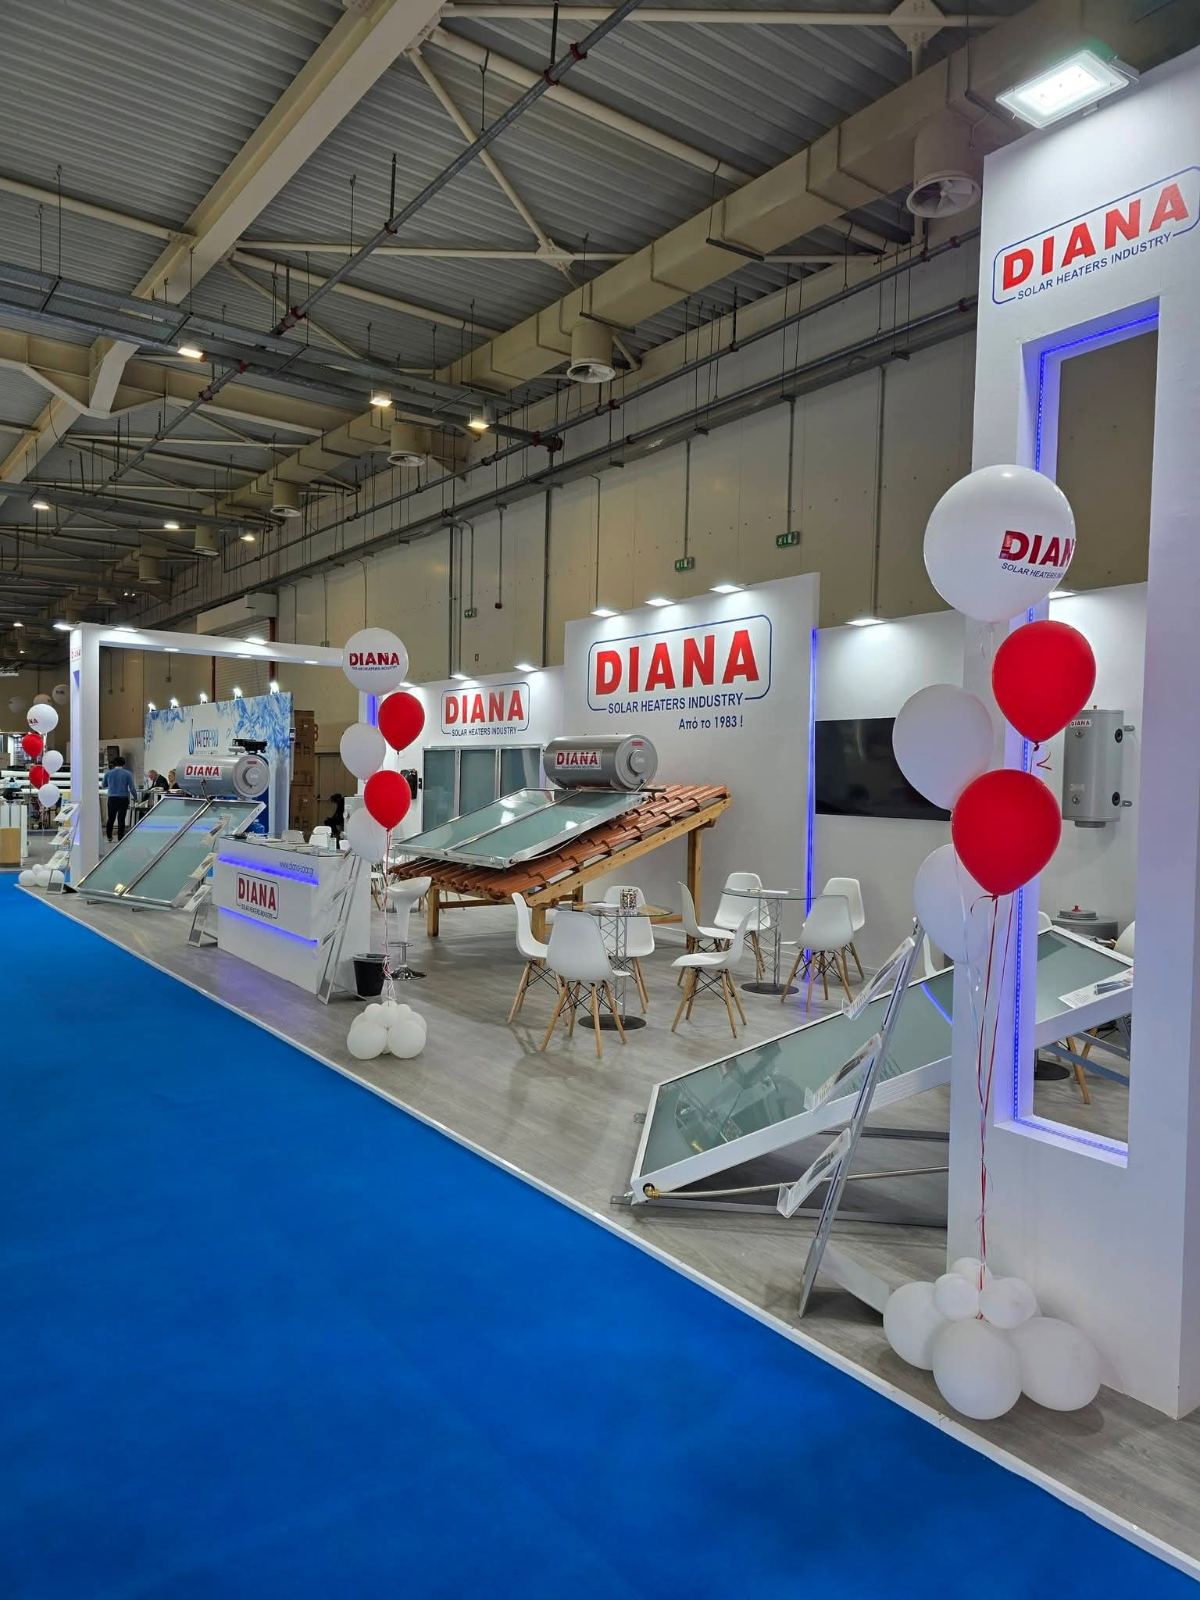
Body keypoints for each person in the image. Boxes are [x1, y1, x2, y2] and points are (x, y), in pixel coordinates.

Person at [102, 755, 138, 842]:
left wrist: (112, 784)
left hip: (112, 798)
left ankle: (109, 836)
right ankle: (120, 838)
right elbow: (132, 788)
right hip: (123, 798)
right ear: (123, 764)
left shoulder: (108, 773)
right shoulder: (128, 773)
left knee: (111, 818)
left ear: (114, 764)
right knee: (121, 819)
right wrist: (135, 797)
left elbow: (104, 785)